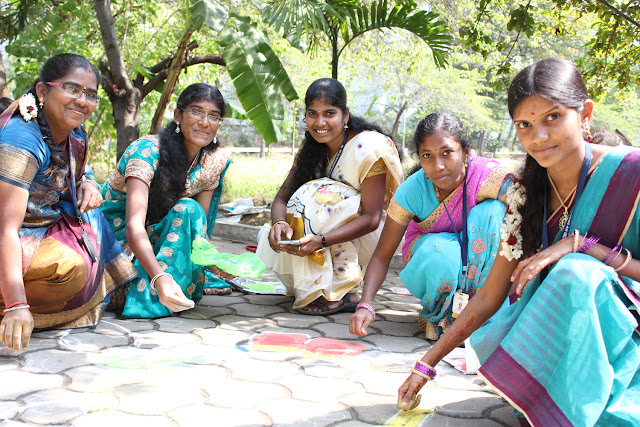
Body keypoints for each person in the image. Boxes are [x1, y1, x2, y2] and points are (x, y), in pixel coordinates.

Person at [396, 57, 640, 426]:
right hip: (567, 336)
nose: (538, 137)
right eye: (524, 125)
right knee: (513, 313)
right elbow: (491, 294)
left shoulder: (631, 174)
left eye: (553, 118)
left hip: (626, 331)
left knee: (576, 274)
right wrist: (426, 365)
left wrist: (584, 246)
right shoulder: (525, 193)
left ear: (585, 113)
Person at [0, 53, 137, 351]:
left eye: (90, 94)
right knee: (69, 269)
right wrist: (16, 304)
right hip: (10, 236)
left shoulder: (73, 131)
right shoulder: (22, 139)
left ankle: (108, 292)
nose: (82, 100)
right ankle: (13, 311)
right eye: (72, 89)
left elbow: (72, 169)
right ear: (42, 91)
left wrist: (87, 182)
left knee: (92, 219)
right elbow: (4, 229)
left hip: (40, 224)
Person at [349, 111, 513, 339]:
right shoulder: (412, 191)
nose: (438, 166)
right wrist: (365, 304)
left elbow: (528, 209)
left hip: (480, 262)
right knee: (442, 250)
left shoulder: (487, 176)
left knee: (495, 211)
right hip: (432, 258)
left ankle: (486, 311)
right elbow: (382, 255)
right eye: (427, 155)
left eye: (447, 153)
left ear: (465, 152)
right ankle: (439, 315)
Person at [256, 78, 403, 314]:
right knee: (303, 204)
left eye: (329, 113)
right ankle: (322, 289)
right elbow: (282, 199)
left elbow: (373, 218)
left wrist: (320, 241)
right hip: (332, 230)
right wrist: (280, 224)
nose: (320, 122)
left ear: (345, 116)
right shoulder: (313, 148)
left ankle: (343, 292)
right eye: (312, 113)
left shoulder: (368, 148)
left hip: (376, 234)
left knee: (321, 195)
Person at [100, 83, 232, 319]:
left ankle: (170, 289)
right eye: (197, 112)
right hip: (115, 235)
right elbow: (133, 226)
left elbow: (198, 231)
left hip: (158, 233)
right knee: (185, 209)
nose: (205, 122)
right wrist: (159, 276)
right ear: (178, 115)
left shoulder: (212, 161)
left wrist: (216, 262)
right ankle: (152, 293)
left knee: (188, 210)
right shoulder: (148, 150)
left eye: (214, 116)